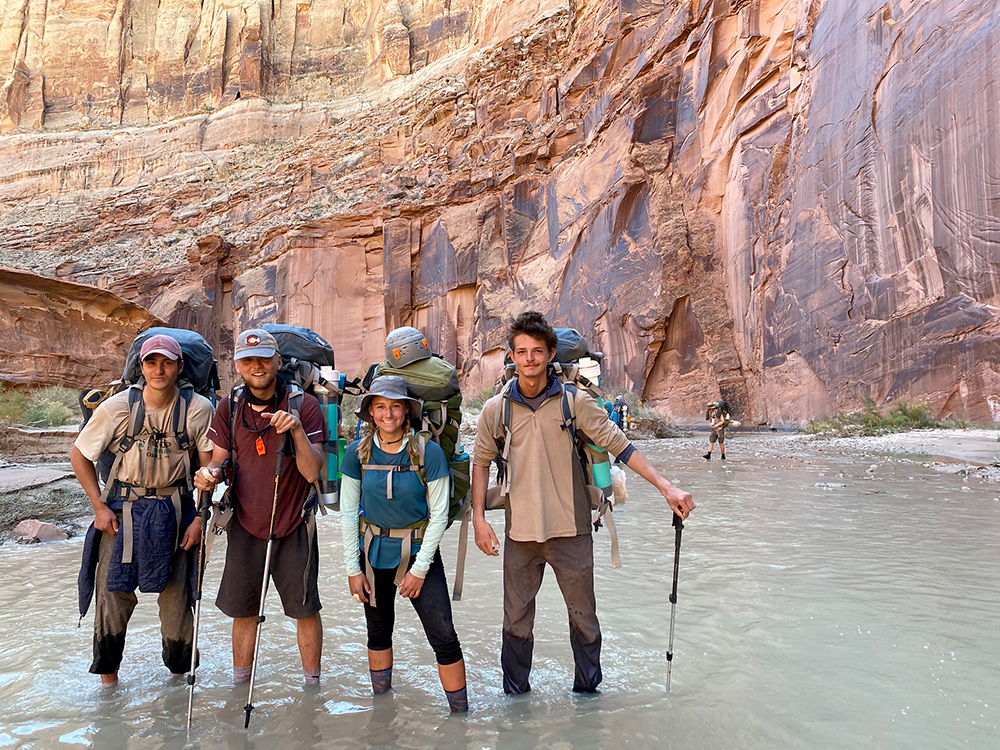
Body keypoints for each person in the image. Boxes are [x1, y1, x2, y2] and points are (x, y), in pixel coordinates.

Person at [471, 311, 695, 695]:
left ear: (550, 353)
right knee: (515, 622)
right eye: (521, 352)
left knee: (584, 620)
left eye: (536, 351)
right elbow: (480, 462)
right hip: (519, 535)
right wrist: (478, 518)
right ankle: (515, 701)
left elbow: (620, 445)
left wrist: (666, 486)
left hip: (571, 532)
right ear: (511, 356)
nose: (529, 359)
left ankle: (588, 699)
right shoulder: (497, 410)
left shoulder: (574, 404)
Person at [71, 333, 215, 687]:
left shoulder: (199, 409)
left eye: (167, 362)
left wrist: (200, 518)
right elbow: (80, 455)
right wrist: (98, 506)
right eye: (152, 362)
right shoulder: (117, 407)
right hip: (122, 512)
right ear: (141, 366)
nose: (159, 369)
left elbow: (210, 470)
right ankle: (108, 684)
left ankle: (178, 682)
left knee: (178, 601)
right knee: (112, 598)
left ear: (180, 366)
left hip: (177, 512)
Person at [193, 328, 326, 686]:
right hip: (245, 523)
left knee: (305, 609)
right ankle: (240, 686)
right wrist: (208, 475)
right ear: (237, 365)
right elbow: (219, 463)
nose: (257, 366)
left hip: (294, 524)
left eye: (264, 358)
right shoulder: (230, 406)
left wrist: (296, 430)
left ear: (277, 362)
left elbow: (313, 471)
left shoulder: (305, 406)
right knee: (243, 610)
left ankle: (312, 688)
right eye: (248, 360)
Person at [340, 375, 468, 712]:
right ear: (370, 412)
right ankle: (382, 714)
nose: (388, 414)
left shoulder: (430, 453)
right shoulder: (357, 453)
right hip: (373, 554)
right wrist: (353, 569)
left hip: (417, 553)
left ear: (406, 412)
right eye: (380, 407)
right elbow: (348, 513)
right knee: (378, 632)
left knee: (443, 636)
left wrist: (420, 570)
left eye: (395, 407)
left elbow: (439, 515)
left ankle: (460, 719)